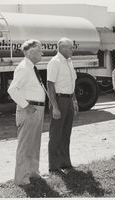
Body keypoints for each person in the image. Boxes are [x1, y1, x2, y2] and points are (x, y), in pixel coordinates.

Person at [8, 39, 45, 185]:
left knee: (34, 143)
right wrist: (26, 106)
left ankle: (33, 173)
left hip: (37, 109)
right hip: (29, 110)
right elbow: (12, 90)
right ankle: (21, 178)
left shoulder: (31, 67)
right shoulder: (24, 68)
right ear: (31, 52)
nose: (42, 52)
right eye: (40, 50)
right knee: (25, 145)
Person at [47, 37, 78, 173]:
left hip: (69, 99)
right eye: (70, 47)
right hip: (59, 100)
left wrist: (75, 100)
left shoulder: (69, 62)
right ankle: (54, 166)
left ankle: (65, 163)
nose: (72, 50)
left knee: (66, 133)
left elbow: (72, 83)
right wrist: (55, 106)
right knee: (56, 134)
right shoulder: (55, 62)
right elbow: (50, 85)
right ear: (62, 48)